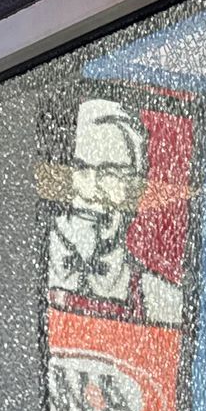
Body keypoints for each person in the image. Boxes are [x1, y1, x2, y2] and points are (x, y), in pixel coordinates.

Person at [45, 97, 182, 325]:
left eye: (111, 174)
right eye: (81, 168)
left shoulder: (164, 302)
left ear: (136, 192)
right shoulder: (26, 272)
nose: (91, 190)